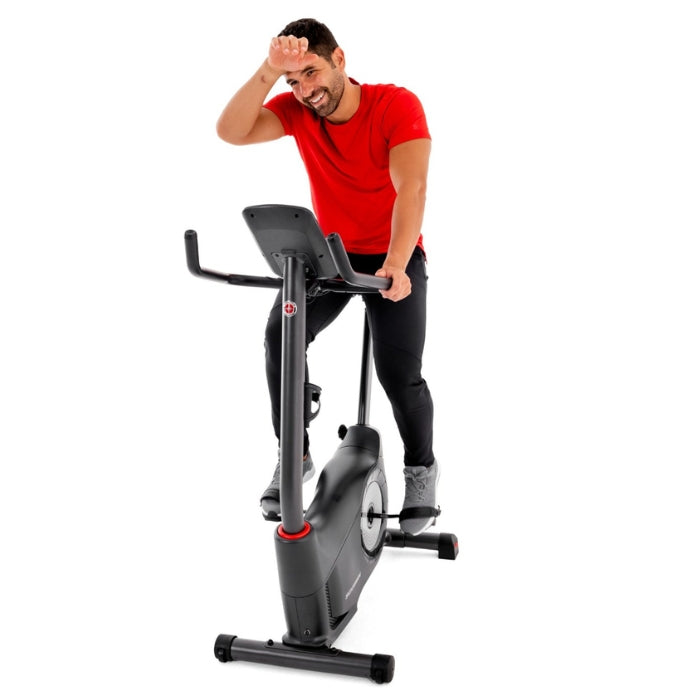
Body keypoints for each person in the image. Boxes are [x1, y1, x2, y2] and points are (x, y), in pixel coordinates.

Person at [216, 18, 439, 535]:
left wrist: (397, 262)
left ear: (339, 59)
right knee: (281, 334)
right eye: (293, 81)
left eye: (311, 73)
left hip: (393, 253)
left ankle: (421, 469)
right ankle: (294, 456)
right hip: (331, 254)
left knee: (398, 373)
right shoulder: (297, 110)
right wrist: (270, 69)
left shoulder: (395, 104)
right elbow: (231, 131)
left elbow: (412, 188)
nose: (305, 91)